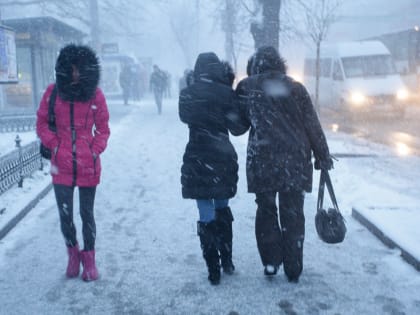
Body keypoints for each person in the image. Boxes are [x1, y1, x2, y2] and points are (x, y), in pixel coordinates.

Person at [235, 46, 333, 282]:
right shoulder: (296, 88)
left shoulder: (247, 87)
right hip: (295, 161)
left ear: (255, 65)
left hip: (263, 160)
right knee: (293, 213)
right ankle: (293, 266)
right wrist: (323, 155)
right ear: (280, 64)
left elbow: (237, 127)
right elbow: (312, 125)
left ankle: (270, 262)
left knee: (266, 210)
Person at [36, 44, 110, 281]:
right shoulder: (53, 93)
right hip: (62, 165)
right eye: (72, 69)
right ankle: (73, 254)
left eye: (80, 69)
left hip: (89, 164)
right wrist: (55, 144)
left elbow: (104, 129)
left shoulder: (95, 95)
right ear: (65, 69)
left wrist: (95, 149)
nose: (76, 74)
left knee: (86, 214)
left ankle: (90, 259)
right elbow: (42, 124)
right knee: (65, 215)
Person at [179, 52, 243, 285]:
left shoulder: (188, 94)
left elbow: (184, 116)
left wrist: (192, 88)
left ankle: (213, 268)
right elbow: (237, 127)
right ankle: (227, 260)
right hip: (222, 156)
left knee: (205, 212)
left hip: (197, 157)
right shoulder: (226, 93)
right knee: (222, 208)